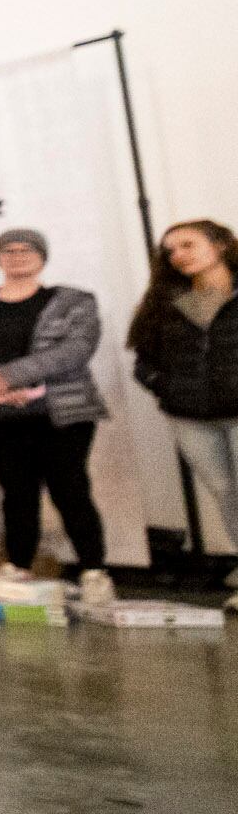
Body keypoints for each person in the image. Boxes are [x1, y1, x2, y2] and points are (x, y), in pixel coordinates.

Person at [0, 227, 115, 605]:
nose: (17, 255)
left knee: (69, 490)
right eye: (8, 249)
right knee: (16, 493)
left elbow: (76, 349)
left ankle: (94, 571)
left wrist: (12, 376)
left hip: (60, 411)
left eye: (27, 249)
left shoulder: (74, 300)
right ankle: (18, 566)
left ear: (42, 256)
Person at [127, 218, 238, 586]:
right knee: (225, 494)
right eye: (170, 251)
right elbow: (144, 361)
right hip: (190, 416)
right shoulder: (168, 301)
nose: (177, 255)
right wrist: (166, 388)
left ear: (220, 245)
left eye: (187, 244)